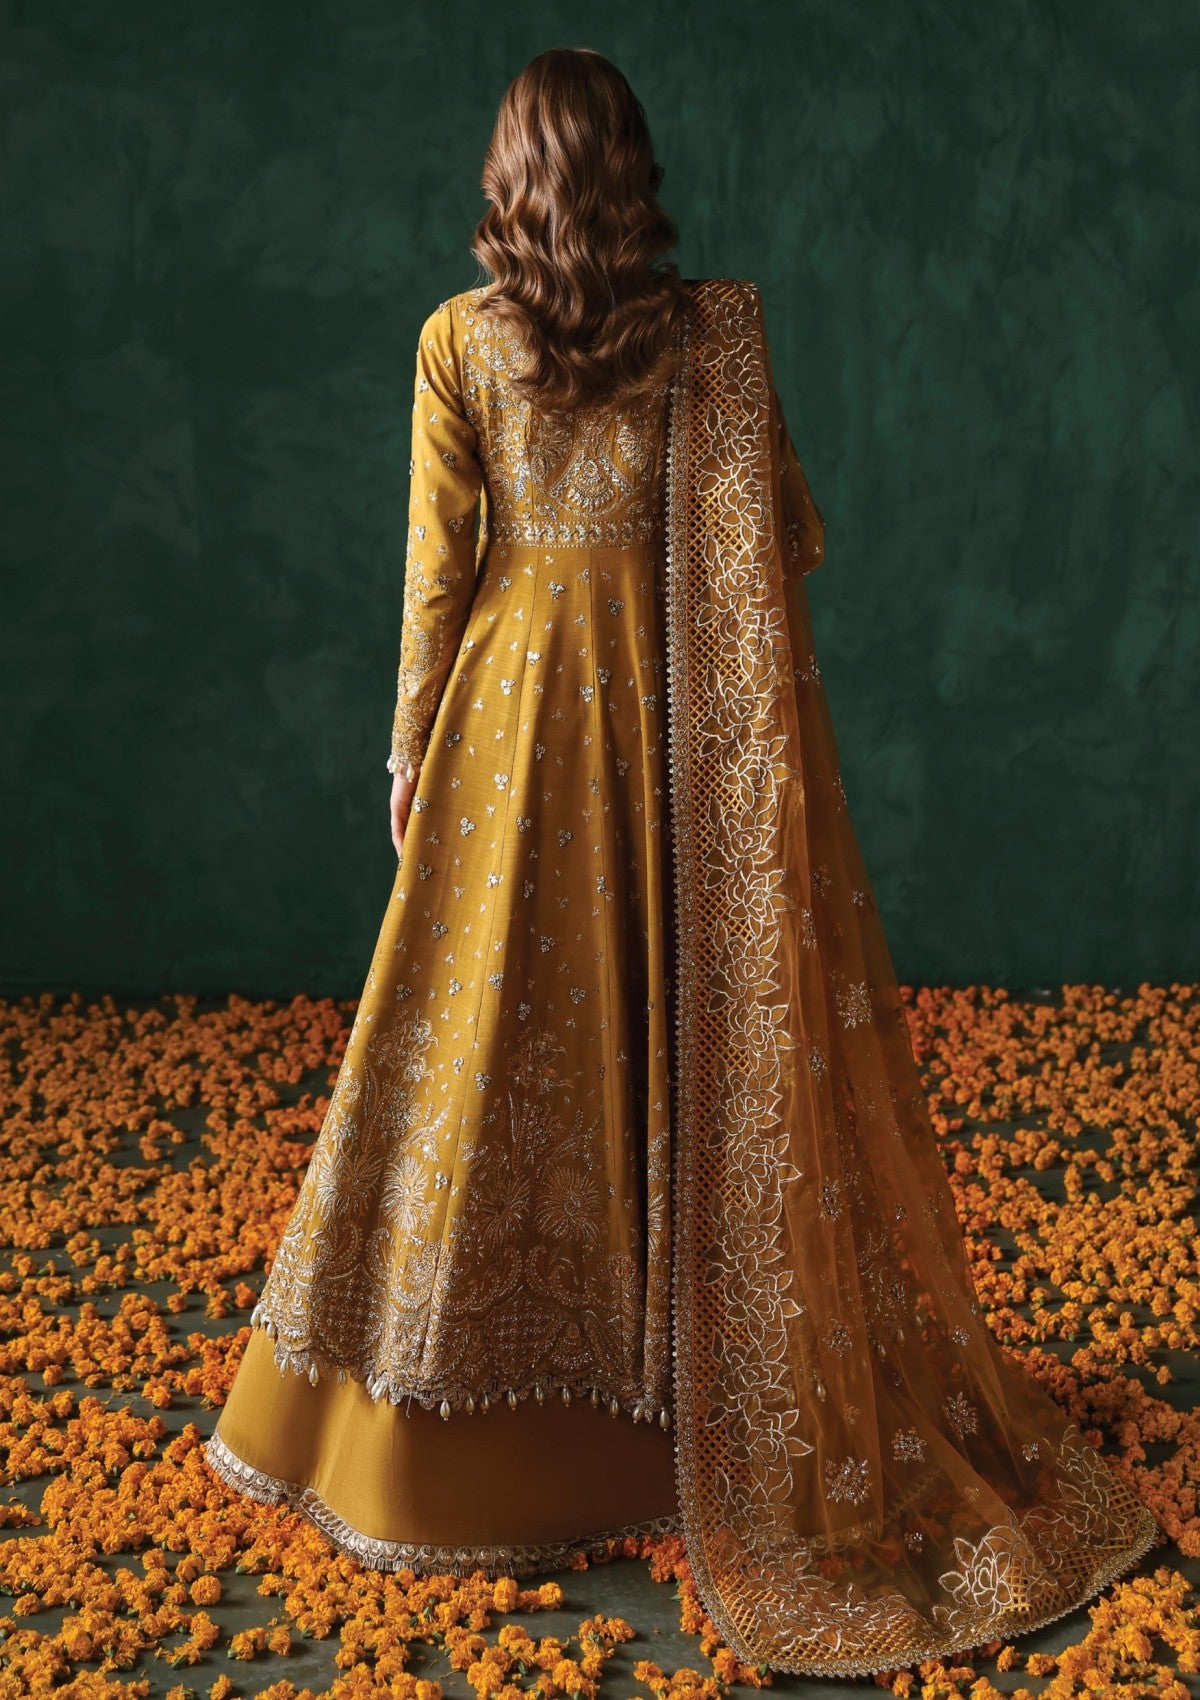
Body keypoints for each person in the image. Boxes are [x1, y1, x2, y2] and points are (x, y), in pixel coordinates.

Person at [204, 46, 1163, 1678]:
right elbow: (786, 536)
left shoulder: (458, 342)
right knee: (670, 1040)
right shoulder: (708, 345)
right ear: (633, 174)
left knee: (491, 1056)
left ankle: (445, 1449)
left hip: (512, 736)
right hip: (680, 740)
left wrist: (408, 752)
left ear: (508, 179)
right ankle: (690, 1413)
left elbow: (440, 576)